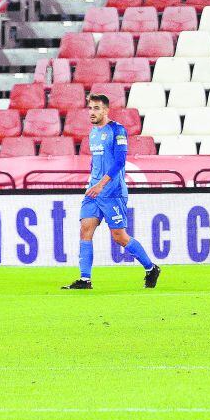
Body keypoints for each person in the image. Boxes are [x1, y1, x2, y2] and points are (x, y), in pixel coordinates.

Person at [62, 94, 160, 290]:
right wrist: (92, 182)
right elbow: (94, 162)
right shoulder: (93, 133)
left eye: (97, 108)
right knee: (85, 229)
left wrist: (101, 185)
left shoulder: (117, 130)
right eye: (90, 108)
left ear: (106, 110)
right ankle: (84, 279)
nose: (92, 112)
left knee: (119, 236)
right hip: (94, 192)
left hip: (112, 192)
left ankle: (151, 268)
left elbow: (119, 162)